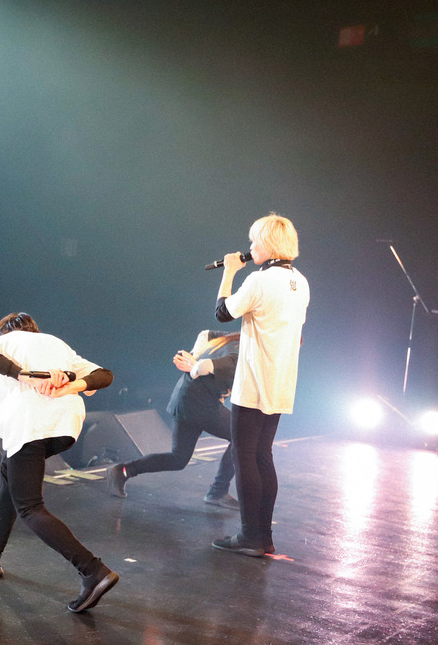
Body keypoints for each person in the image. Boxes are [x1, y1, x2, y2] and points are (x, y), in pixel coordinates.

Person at [0, 312, 119, 614]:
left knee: (30, 507)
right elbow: (104, 375)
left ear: (3, 330)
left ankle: (93, 571)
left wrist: (25, 376)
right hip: (65, 427)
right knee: (10, 471)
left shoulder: (0, 341)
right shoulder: (57, 344)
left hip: (29, 426)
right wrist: (70, 383)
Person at [210, 214, 309, 557]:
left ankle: (250, 536)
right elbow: (298, 338)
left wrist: (228, 271)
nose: (250, 247)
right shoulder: (301, 282)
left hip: (254, 380)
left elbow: (222, 312)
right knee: (262, 454)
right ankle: (262, 536)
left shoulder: (258, 280)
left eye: (254, 242)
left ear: (267, 245)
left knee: (244, 455)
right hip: (281, 381)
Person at [107, 330, 239, 508]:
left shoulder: (229, 339)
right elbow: (206, 366)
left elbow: (206, 333)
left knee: (178, 459)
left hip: (186, 398)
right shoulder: (241, 349)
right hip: (200, 402)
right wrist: (195, 363)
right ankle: (218, 491)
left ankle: (122, 471)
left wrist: (194, 355)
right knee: (242, 437)